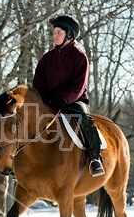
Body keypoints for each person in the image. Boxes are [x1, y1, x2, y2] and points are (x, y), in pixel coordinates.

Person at [32, 14, 105, 177]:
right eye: (54, 32)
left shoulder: (79, 57)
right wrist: (42, 99)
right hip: (49, 102)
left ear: (69, 35)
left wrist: (63, 99)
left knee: (85, 119)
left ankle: (95, 158)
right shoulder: (46, 58)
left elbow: (79, 86)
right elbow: (38, 83)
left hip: (74, 101)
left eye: (59, 32)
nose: (55, 35)